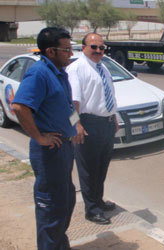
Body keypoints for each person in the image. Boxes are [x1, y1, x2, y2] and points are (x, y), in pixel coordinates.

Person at [12, 27, 77, 250]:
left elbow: (66, 107)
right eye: (66, 49)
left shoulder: (59, 72)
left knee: (65, 203)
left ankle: (60, 245)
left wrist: (75, 126)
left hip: (65, 150)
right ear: (50, 51)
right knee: (51, 210)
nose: (71, 53)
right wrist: (39, 137)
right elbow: (20, 107)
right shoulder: (39, 73)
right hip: (50, 152)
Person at [66, 32, 119, 225]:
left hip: (105, 124)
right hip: (87, 123)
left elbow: (109, 95)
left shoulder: (102, 68)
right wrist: (76, 124)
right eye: (93, 47)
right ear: (84, 47)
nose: (98, 51)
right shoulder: (77, 69)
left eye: (101, 48)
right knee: (88, 169)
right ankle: (92, 209)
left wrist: (114, 117)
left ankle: (98, 200)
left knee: (101, 167)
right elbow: (72, 102)